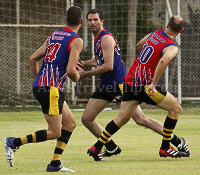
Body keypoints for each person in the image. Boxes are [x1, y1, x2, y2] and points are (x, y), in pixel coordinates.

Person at [78, 10, 190, 161]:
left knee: (125, 119)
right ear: (181, 30)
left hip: (128, 82)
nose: (92, 22)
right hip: (142, 85)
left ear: (167, 24)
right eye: (90, 20)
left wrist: (147, 59)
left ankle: (97, 147)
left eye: (95, 19)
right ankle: (166, 147)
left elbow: (139, 45)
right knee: (175, 108)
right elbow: (164, 61)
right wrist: (154, 83)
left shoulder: (154, 34)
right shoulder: (172, 46)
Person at [5, 6, 83, 172]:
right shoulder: (76, 40)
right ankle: (14, 142)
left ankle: (55, 164)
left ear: (65, 20)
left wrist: (40, 82)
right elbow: (71, 71)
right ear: (81, 22)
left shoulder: (54, 35)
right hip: (51, 88)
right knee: (55, 132)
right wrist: (79, 76)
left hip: (44, 85)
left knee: (69, 124)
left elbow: (33, 59)